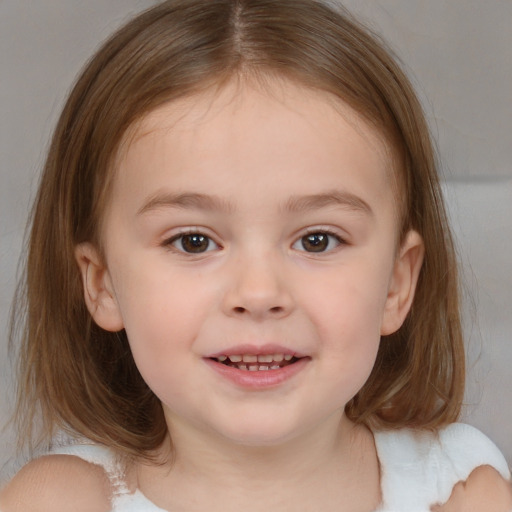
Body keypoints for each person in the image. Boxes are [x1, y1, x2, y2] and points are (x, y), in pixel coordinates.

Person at [1, 0, 511, 510]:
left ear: (397, 284)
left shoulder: (461, 486)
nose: (259, 293)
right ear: (102, 284)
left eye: (317, 240)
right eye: (193, 241)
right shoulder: (63, 500)